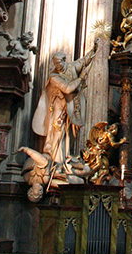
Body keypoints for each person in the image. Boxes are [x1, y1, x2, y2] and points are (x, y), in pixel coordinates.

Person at [31, 39, 101, 171]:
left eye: (60, 62)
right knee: (57, 132)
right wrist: (81, 78)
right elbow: (68, 88)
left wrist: (94, 50)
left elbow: (84, 61)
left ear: (64, 60)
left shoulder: (71, 67)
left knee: (67, 134)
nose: (58, 65)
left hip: (70, 107)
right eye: (55, 63)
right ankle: (56, 160)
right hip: (58, 108)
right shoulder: (54, 77)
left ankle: (65, 158)